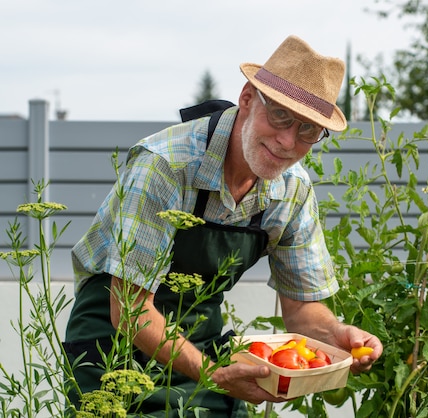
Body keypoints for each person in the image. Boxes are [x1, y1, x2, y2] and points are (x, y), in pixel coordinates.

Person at [63, 35, 383, 417]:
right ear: (247, 98)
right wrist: (211, 374)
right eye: (280, 115)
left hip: (201, 338)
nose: (287, 141)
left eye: (308, 131)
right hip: (111, 345)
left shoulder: (293, 190)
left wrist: (336, 336)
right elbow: (130, 311)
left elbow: (301, 309)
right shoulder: (166, 166)